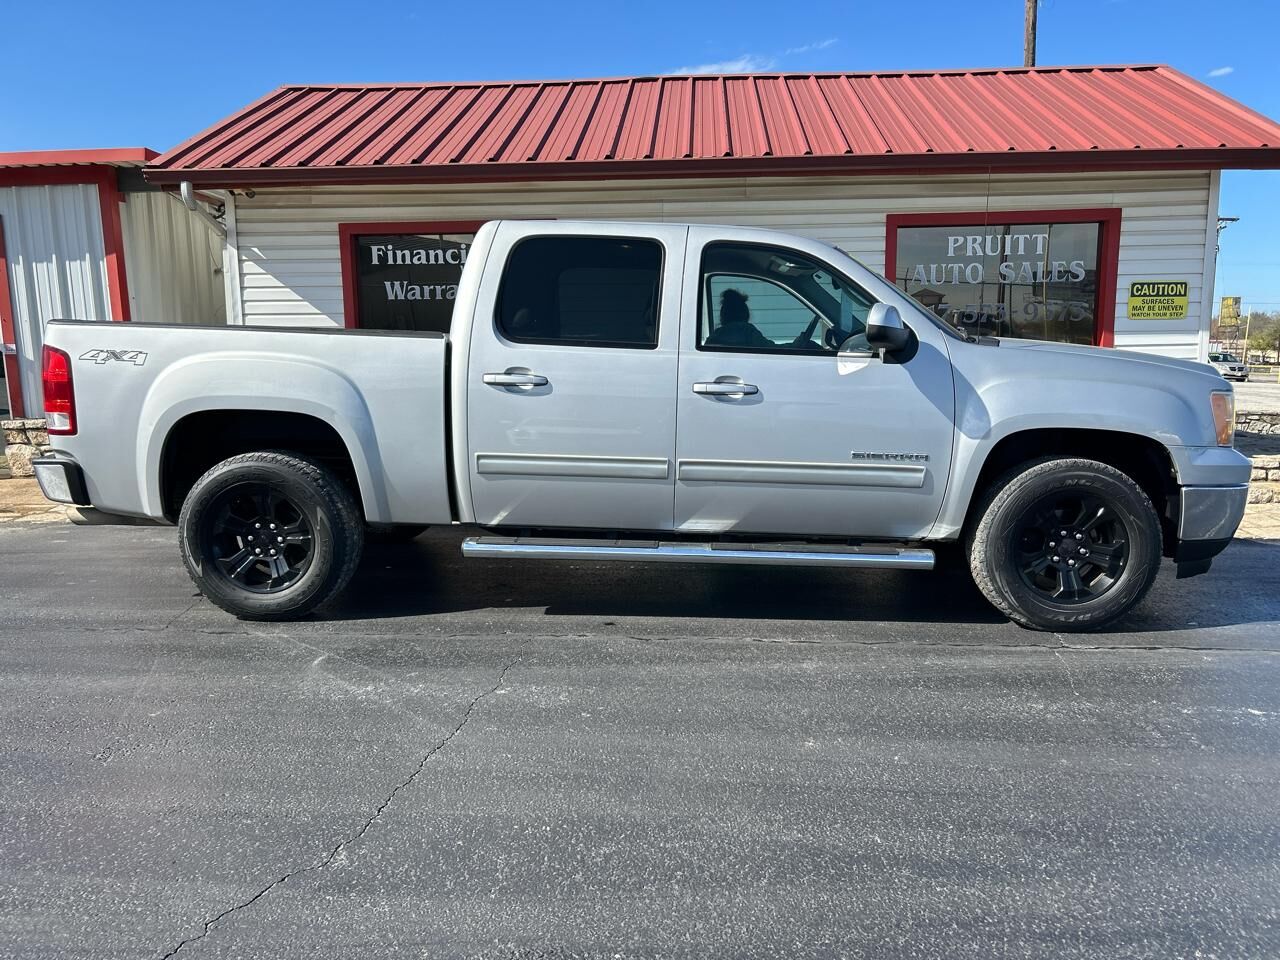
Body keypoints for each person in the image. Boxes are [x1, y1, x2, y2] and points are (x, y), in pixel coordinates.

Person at [705, 288, 774, 349]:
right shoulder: (748, 331)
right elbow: (770, 348)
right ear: (745, 313)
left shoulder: (716, 335)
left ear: (723, 315)